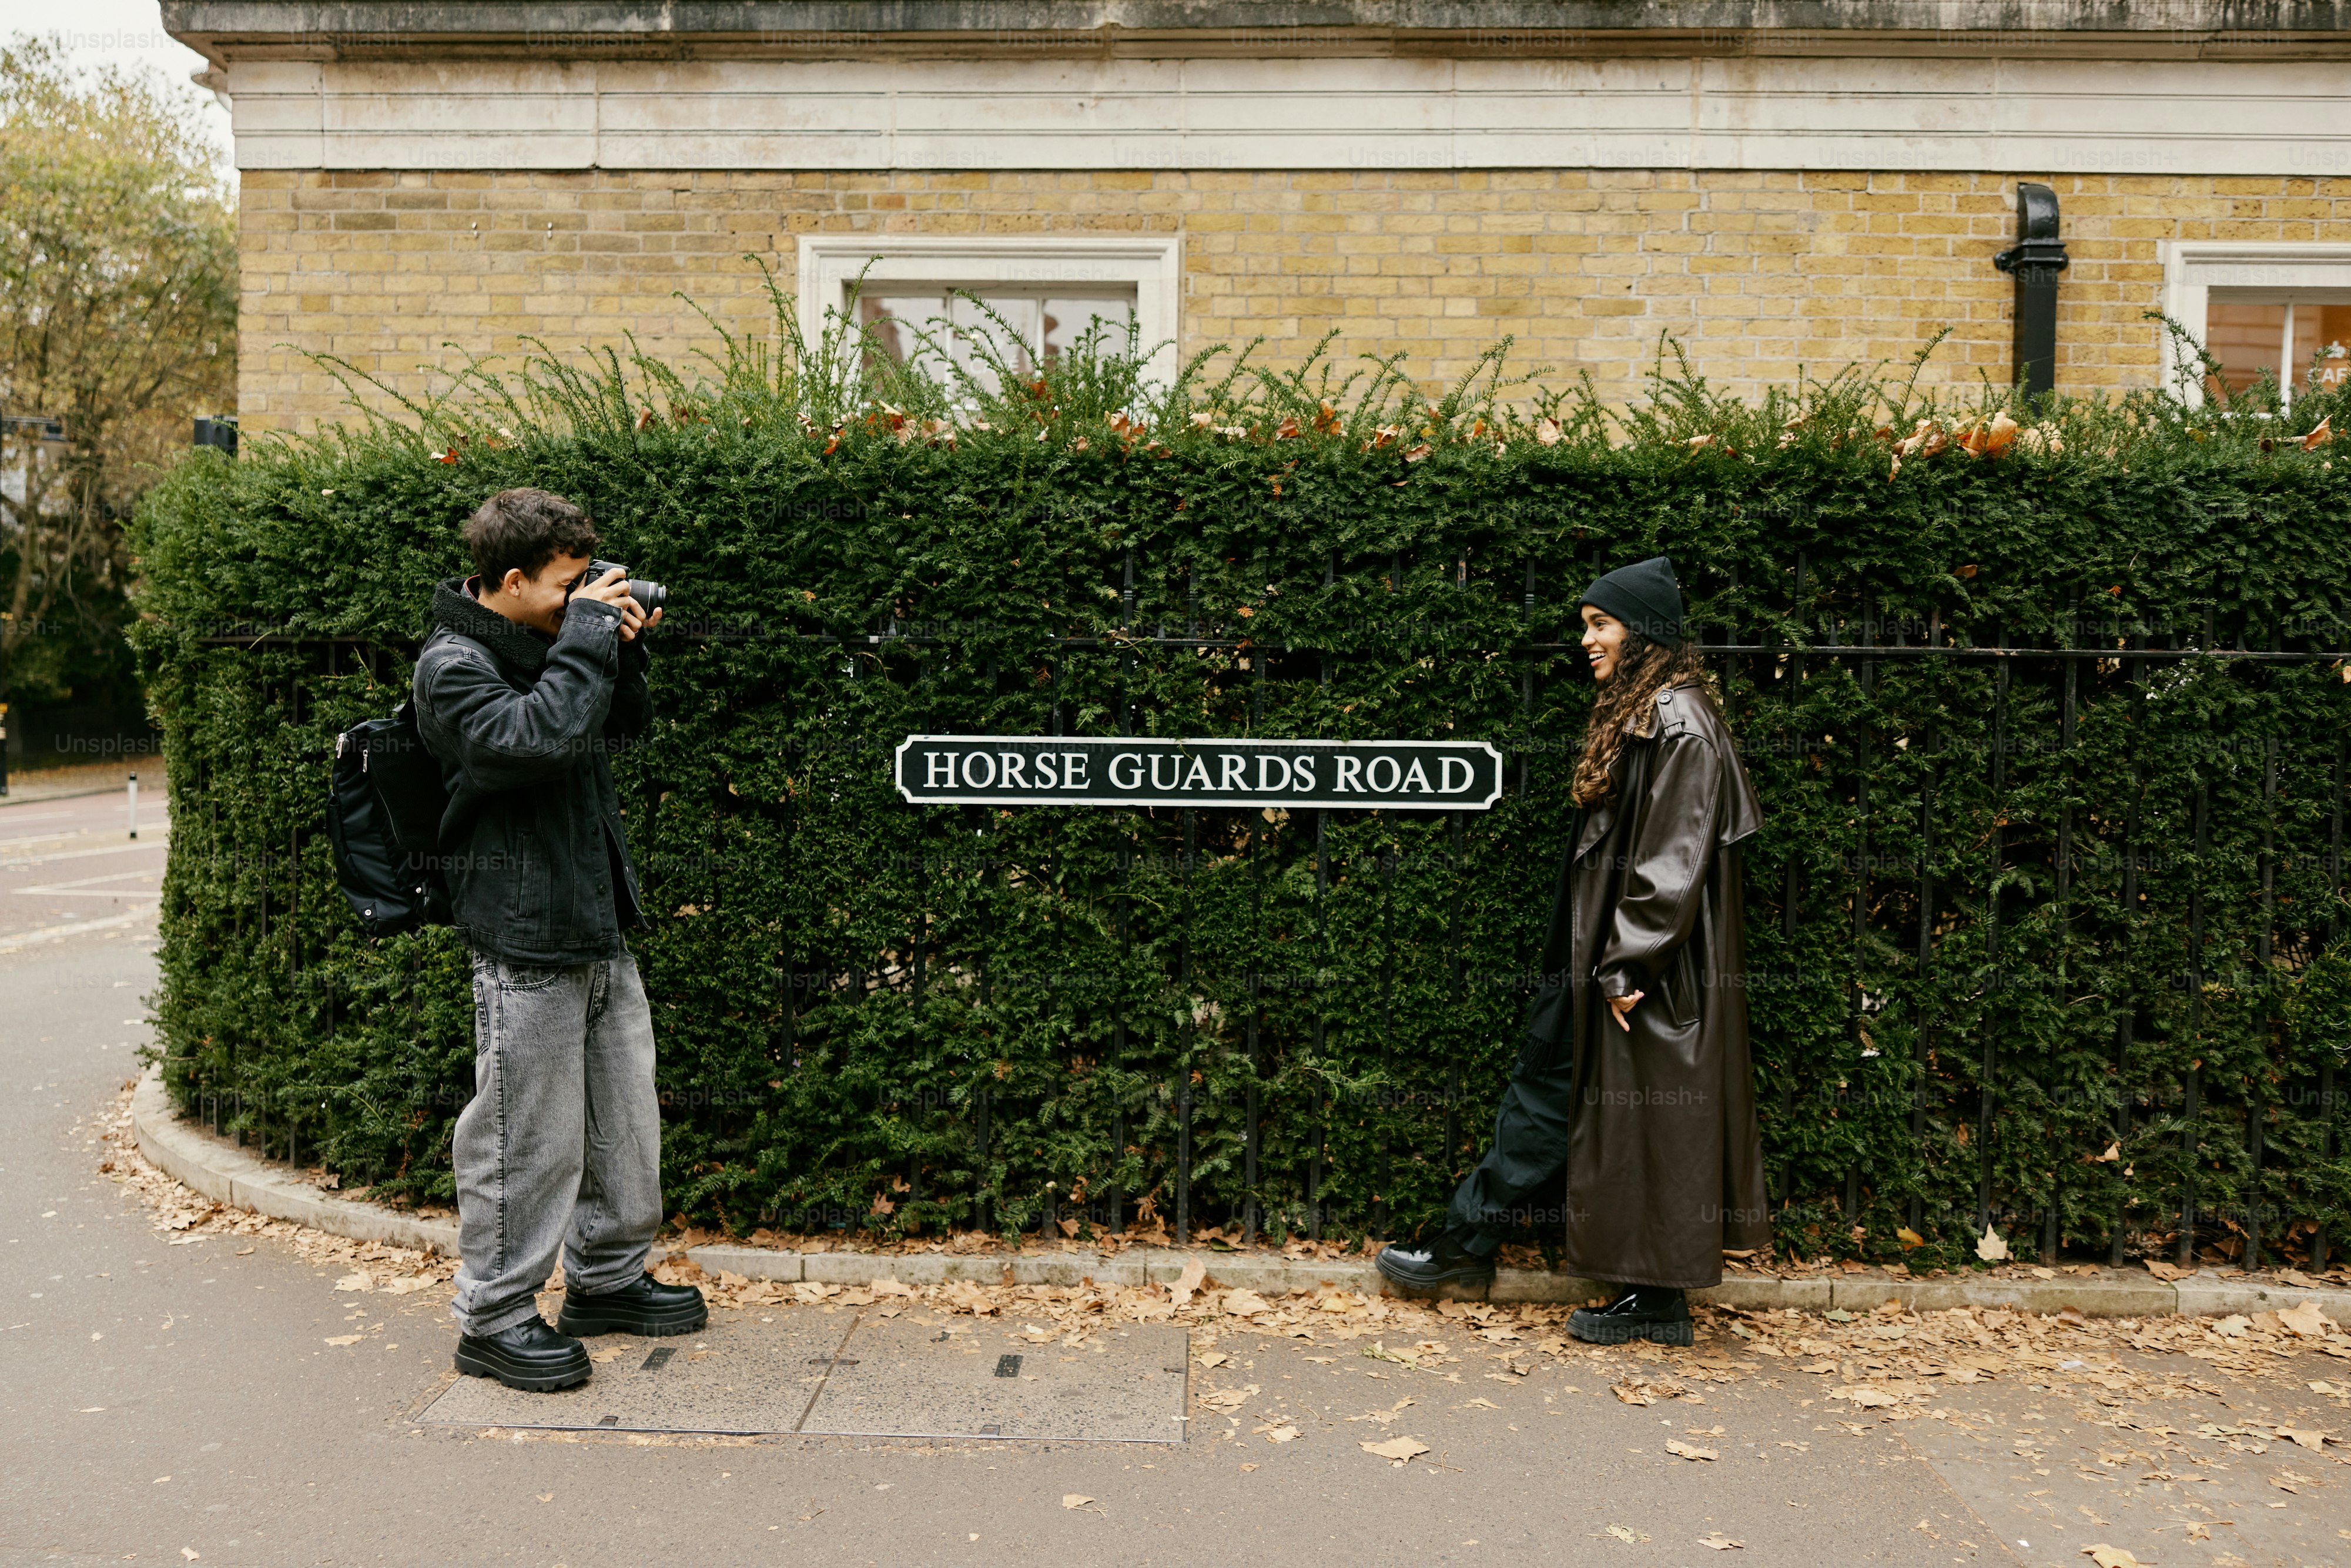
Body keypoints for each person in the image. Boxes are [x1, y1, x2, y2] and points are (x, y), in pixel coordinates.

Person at [1377, 554, 1770, 1346]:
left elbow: (1674, 855)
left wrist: (1629, 966)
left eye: (1602, 625)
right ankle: (1480, 1246)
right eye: (1585, 626)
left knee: (1611, 1111)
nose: (1587, 641)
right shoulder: (1653, 710)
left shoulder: (1680, 722)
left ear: (1646, 632)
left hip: (1638, 970)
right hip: (1606, 960)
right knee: (1567, 1101)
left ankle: (1615, 1288)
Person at [414, 486, 705, 1392]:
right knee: (524, 1136)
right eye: (570, 584)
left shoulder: (550, 642)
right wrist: (582, 640)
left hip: (594, 919)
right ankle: (494, 1318)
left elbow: (617, 727)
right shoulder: (453, 665)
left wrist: (620, 650)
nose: (585, 597)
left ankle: (607, 1280)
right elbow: (529, 744)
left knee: (625, 1120)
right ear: (512, 580)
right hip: (523, 931)